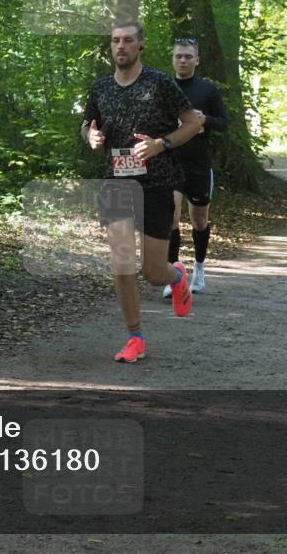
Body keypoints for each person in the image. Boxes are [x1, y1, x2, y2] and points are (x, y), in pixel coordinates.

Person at [81, 21, 203, 363]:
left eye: (128, 40)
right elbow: (87, 124)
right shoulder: (101, 87)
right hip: (116, 181)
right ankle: (135, 336)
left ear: (140, 46)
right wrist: (90, 137)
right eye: (115, 40)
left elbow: (193, 123)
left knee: (152, 273)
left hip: (157, 183)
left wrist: (162, 144)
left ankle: (175, 275)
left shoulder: (160, 83)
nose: (121, 46)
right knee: (121, 259)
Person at [162, 37, 229, 298]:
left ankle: (199, 270)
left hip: (199, 164)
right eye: (179, 56)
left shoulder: (207, 90)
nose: (183, 60)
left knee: (199, 221)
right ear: (173, 59)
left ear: (197, 60)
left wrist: (206, 119)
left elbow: (224, 123)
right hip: (170, 163)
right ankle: (173, 277)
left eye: (188, 56)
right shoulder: (163, 88)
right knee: (172, 218)